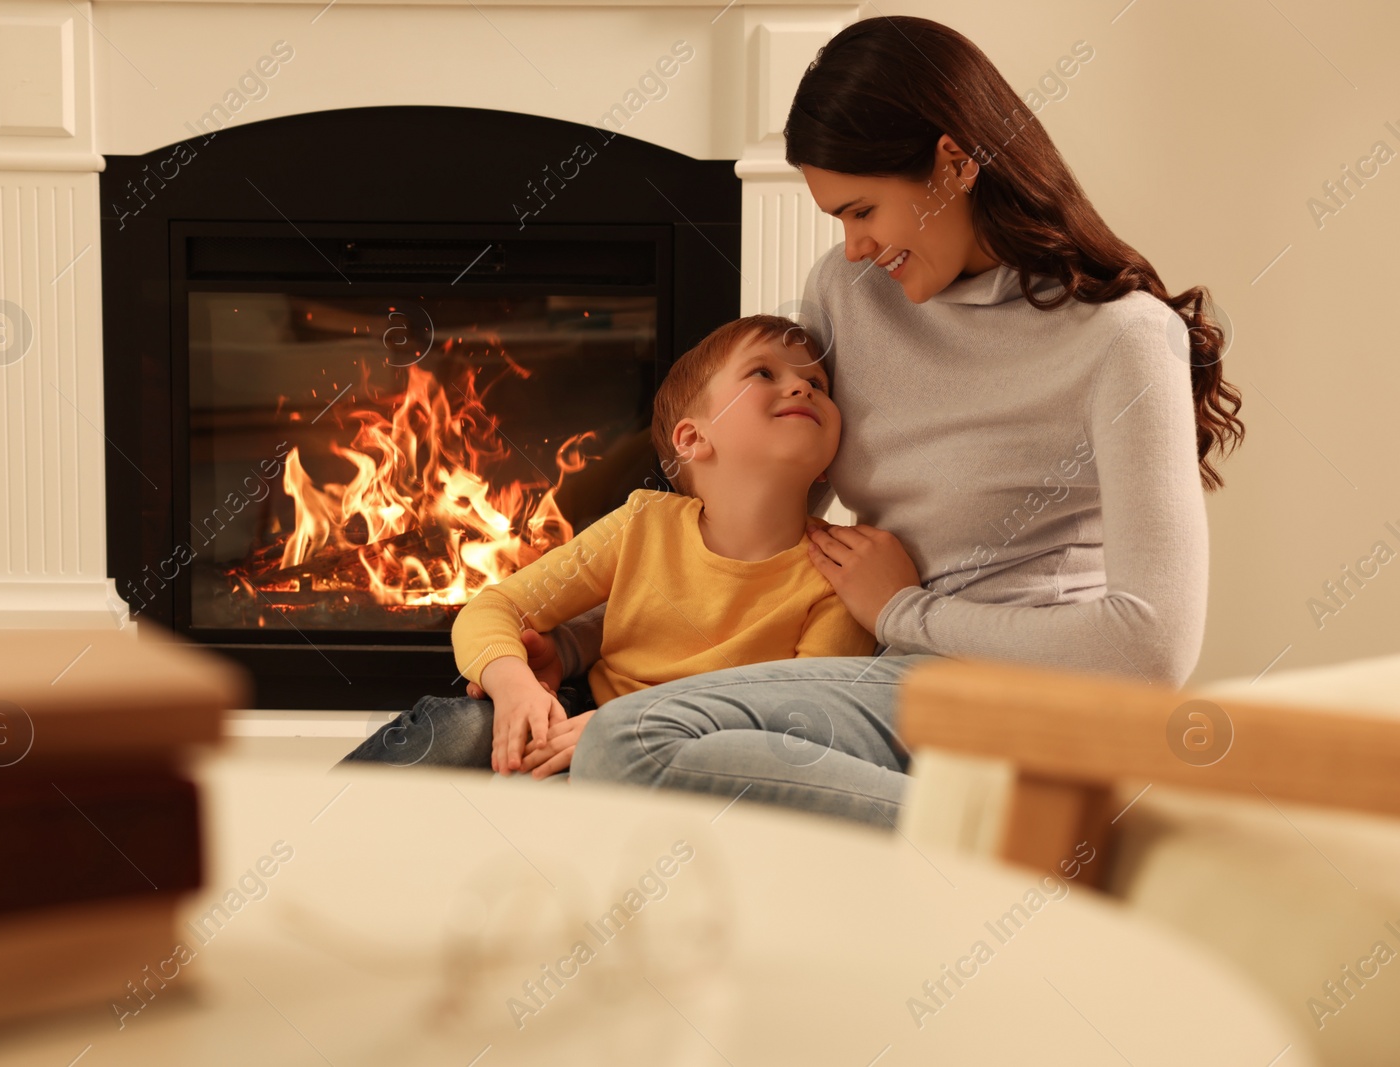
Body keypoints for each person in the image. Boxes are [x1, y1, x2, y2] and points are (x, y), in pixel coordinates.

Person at [503, 14, 1244, 830]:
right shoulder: (852, 294)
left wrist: (905, 613)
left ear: (955, 164)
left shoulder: (1124, 340)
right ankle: (989, 839)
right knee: (595, 743)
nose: (854, 248)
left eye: (863, 211)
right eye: (838, 222)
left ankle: (1048, 847)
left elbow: (1152, 648)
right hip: (892, 683)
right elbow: (762, 511)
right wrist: (578, 641)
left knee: (628, 746)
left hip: (1036, 703)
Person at [341, 314, 878, 777]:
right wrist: (515, 688)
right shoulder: (644, 522)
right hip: (585, 713)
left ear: (830, 458)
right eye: (765, 372)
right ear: (692, 439)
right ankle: (310, 832)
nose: (804, 387)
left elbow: (804, 711)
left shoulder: (839, 571)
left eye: (819, 384)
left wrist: (630, 731)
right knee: (460, 727)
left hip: (705, 746)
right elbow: (495, 607)